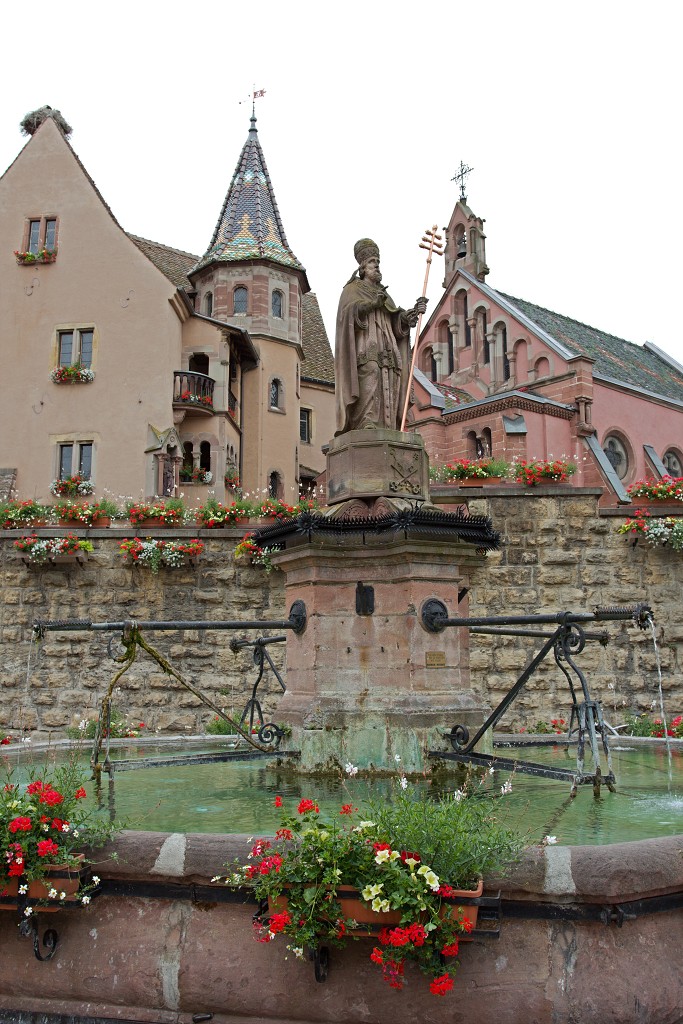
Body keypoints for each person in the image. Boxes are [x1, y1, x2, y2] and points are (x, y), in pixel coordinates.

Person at [335, 238, 427, 435]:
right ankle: (365, 423)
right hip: (366, 344)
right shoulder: (352, 289)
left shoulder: (384, 294)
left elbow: (396, 321)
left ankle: (387, 426)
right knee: (371, 372)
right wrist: (371, 305)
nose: (376, 265)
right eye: (372, 262)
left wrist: (409, 315)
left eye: (378, 262)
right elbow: (347, 315)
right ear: (362, 267)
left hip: (387, 347)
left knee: (390, 379)